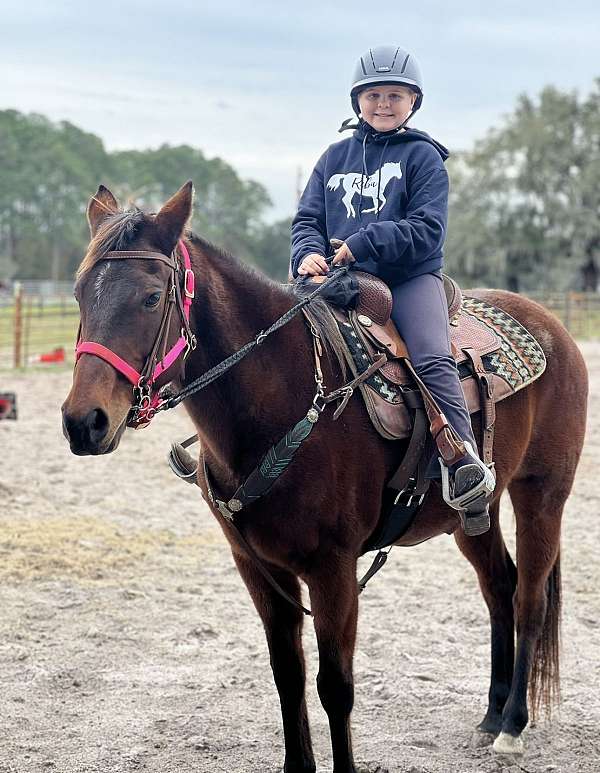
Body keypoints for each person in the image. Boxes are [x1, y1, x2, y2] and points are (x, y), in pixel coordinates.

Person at [290, 45, 495, 536]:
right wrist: (305, 254)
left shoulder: (423, 157)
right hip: (335, 279)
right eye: (374, 94)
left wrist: (361, 243)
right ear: (357, 99)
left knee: (429, 355)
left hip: (407, 278)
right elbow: (307, 220)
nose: (383, 103)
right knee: (279, 344)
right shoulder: (333, 157)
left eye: (395, 95)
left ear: (413, 101)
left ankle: (463, 464)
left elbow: (427, 229)